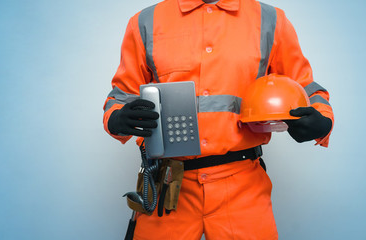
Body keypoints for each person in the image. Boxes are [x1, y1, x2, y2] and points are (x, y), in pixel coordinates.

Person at [102, 0, 334, 239]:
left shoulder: (270, 19)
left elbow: (305, 86)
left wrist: (322, 119)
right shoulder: (146, 21)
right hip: (168, 186)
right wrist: (117, 119)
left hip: (243, 187)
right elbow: (120, 96)